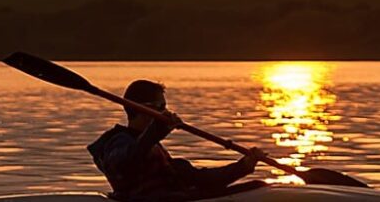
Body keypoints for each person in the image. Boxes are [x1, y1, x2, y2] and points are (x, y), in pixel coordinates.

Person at [88, 80, 268, 201]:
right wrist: (156, 130)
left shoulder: (152, 146)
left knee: (258, 186)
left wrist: (244, 165)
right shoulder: (117, 143)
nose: (167, 113)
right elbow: (126, 161)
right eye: (161, 107)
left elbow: (198, 178)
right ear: (143, 109)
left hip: (178, 196)